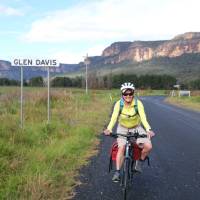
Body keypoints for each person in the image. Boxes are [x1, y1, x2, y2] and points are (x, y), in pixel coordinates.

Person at [104, 82, 155, 182]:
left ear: (133, 94)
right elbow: (114, 118)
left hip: (136, 127)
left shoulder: (138, 104)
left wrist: (148, 129)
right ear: (122, 95)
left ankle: (139, 163)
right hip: (122, 127)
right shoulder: (119, 104)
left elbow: (143, 118)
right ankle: (117, 172)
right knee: (121, 147)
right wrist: (109, 129)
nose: (128, 96)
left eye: (130, 94)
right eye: (125, 94)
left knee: (148, 146)